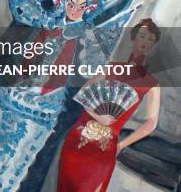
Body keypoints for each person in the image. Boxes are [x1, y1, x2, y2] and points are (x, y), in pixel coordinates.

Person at [0, 0, 138, 191]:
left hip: (46, 106)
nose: (75, 7)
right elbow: (21, 0)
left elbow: (93, 61)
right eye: (72, 1)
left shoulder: (86, 35)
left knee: (19, 159)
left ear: (88, 8)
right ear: (64, 0)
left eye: (81, 4)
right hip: (14, 94)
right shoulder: (46, 19)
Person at [57, 18, 161, 192]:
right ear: (134, 38)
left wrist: (121, 145)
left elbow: (151, 123)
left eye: (150, 39)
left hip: (107, 147)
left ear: (153, 45)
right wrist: (99, 116)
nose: (145, 42)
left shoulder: (152, 83)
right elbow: (83, 93)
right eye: (142, 36)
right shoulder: (109, 67)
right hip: (80, 136)